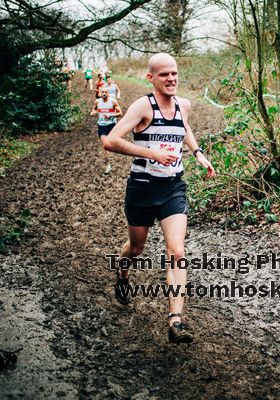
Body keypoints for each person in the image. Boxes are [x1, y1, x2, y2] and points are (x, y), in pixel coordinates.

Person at [104, 53, 215, 344]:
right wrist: (152, 153)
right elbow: (111, 140)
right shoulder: (143, 106)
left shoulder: (183, 105)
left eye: (174, 73)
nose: (171, 79)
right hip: (141, 188)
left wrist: (198, 154)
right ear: (151, 78)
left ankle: (175, 321)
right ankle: (122, 273)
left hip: (172, 188)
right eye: (164, 74)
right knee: (136, 248)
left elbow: (184, 128)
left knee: (177, 251)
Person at [90, 86, 123, 174]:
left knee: (112, 144)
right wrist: (93, 112)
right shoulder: (97, 101)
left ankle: (115, 153)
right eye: (103, 92)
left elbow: (120, 113)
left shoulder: (113, 101)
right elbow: (94, 109)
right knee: (105, 145)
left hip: (111, 125)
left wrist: (111, 115)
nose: (104, 94)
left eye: (106, 92)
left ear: (108, 93)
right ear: (100, 93)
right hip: (102, 125)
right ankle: (108, 165)